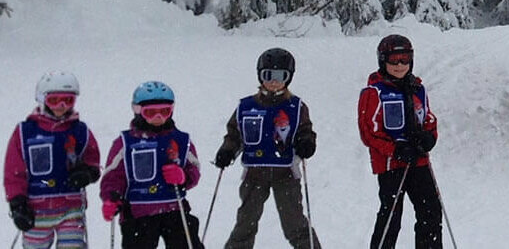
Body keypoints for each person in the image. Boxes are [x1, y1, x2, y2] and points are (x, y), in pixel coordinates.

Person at [214, 47, 321, 249]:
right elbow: (235, 134)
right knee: (246, 221)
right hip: (255, 173)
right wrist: (227, 150)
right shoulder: (247, 106)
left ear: (288, 78)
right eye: (268, 75)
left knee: (294, 222)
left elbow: (305, 130)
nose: (274, 81)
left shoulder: (296, 106)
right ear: (260, 75)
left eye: (281, 76)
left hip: (285, 173)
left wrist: (306, 142)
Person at [358, 35, 442, 249]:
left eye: (404, 59)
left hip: (419, 162)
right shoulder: (374, 92)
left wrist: (429, 137)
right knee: (391, 215)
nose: (399, 65)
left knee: (430, 211)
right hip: (391, 164)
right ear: (383, 61)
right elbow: (369, 132)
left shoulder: (417, 89)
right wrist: (395, 149)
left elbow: (428, 118)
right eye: (394, 60)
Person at [100, 81, 204, 249]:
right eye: (151, 112)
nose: (158, 118)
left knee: (186, 242)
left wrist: (183, 177)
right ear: (137, 111)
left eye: (164, 111)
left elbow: (194, 168)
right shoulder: (126, 142)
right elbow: (113, 175)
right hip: (138, 211)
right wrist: (112, 197)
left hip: (174, 208)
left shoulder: (181, 140)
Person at [4, 71, 101, 249]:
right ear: (42, 100)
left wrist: (87, 172)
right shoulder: (25, 132)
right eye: (54, 100)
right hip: (36, 209)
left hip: (71, 207)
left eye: (68, 100)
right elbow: (14, 172)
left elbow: (93, 159)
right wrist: (17, 203)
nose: (62, 106)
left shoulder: (79, 130)